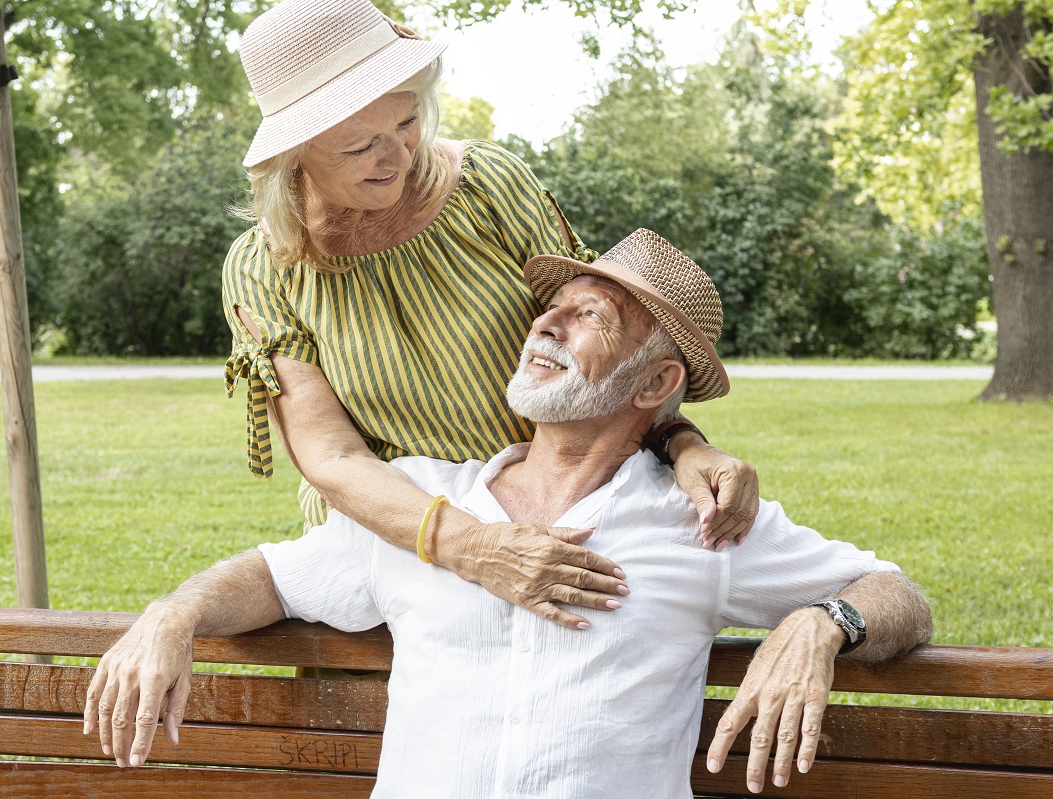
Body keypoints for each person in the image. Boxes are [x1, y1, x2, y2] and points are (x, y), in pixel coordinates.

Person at [87, 229, 933, 797]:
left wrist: (823, 624)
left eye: (589, 315)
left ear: (653, 386)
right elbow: (272, 576)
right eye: (553, 305)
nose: (548, 321)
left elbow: (899, 593)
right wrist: (175, 611)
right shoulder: (421, 498)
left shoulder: (700, 524)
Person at [220, 0, 764, 630]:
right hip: (391, 550)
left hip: (557, 519)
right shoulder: (263, 269)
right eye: (362, 146)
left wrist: (682, 442)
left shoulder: (488, 186)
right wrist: (472, 547)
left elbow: (607, 344)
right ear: (295, 155)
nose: (397, 156)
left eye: (407, 121)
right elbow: (331, 457)